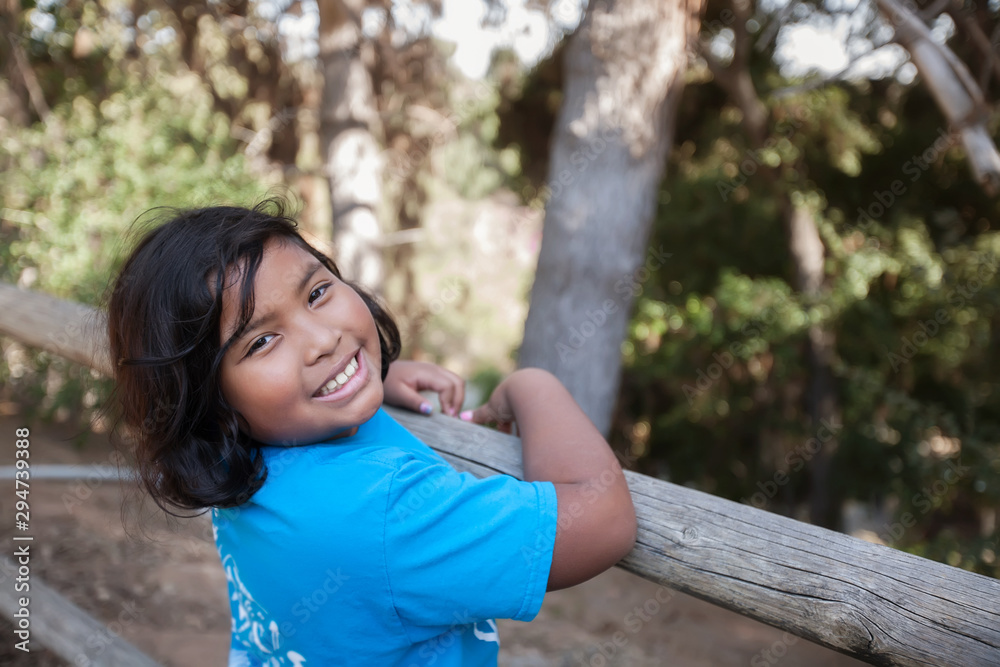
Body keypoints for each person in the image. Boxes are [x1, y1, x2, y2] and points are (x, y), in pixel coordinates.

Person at [106, 200, 637, 666]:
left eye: (316, 292)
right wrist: (533, 387)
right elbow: (603, 522)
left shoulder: (228, 459)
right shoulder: (384, 512)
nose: (323, 339)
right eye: (262, 341)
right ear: (213, 407)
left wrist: (368, 379)